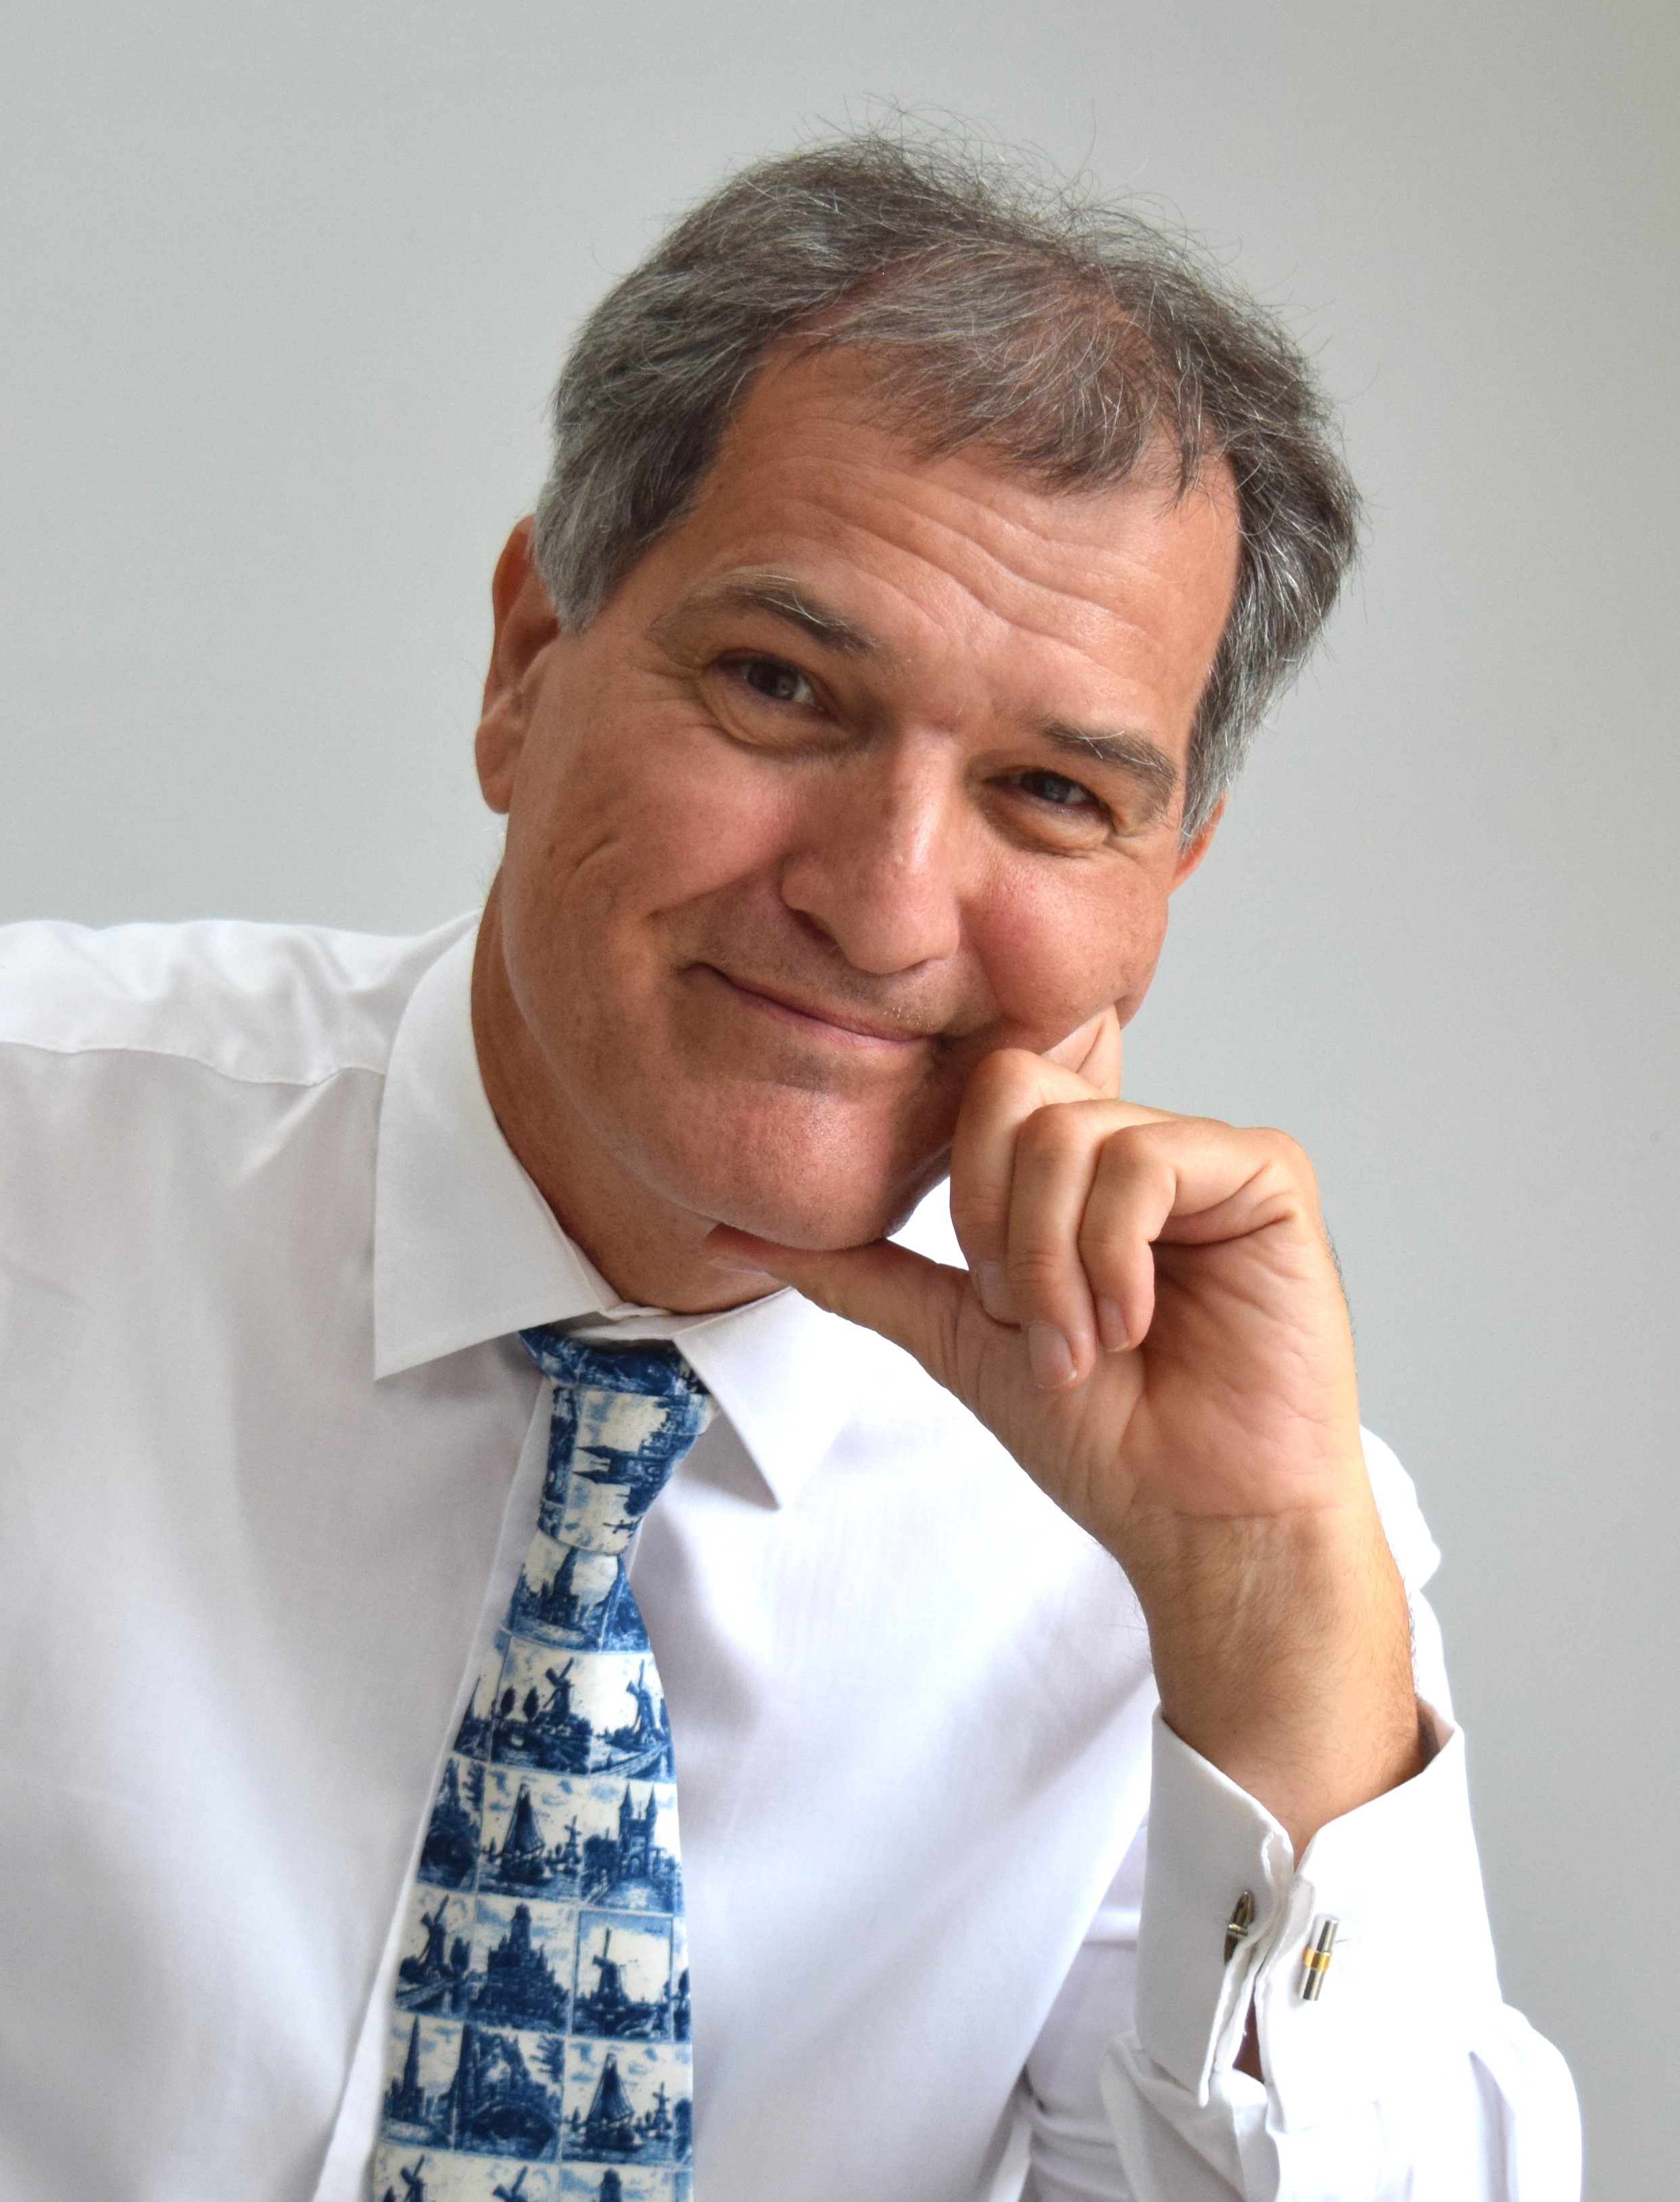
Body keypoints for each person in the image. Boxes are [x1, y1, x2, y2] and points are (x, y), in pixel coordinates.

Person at [0, 130, 1580, 2202]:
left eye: (1052, 792)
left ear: (1167, 876)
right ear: (527, 660)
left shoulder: (1223, 1537)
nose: (886, 902)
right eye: (781, 687)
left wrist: (1265, 1618)